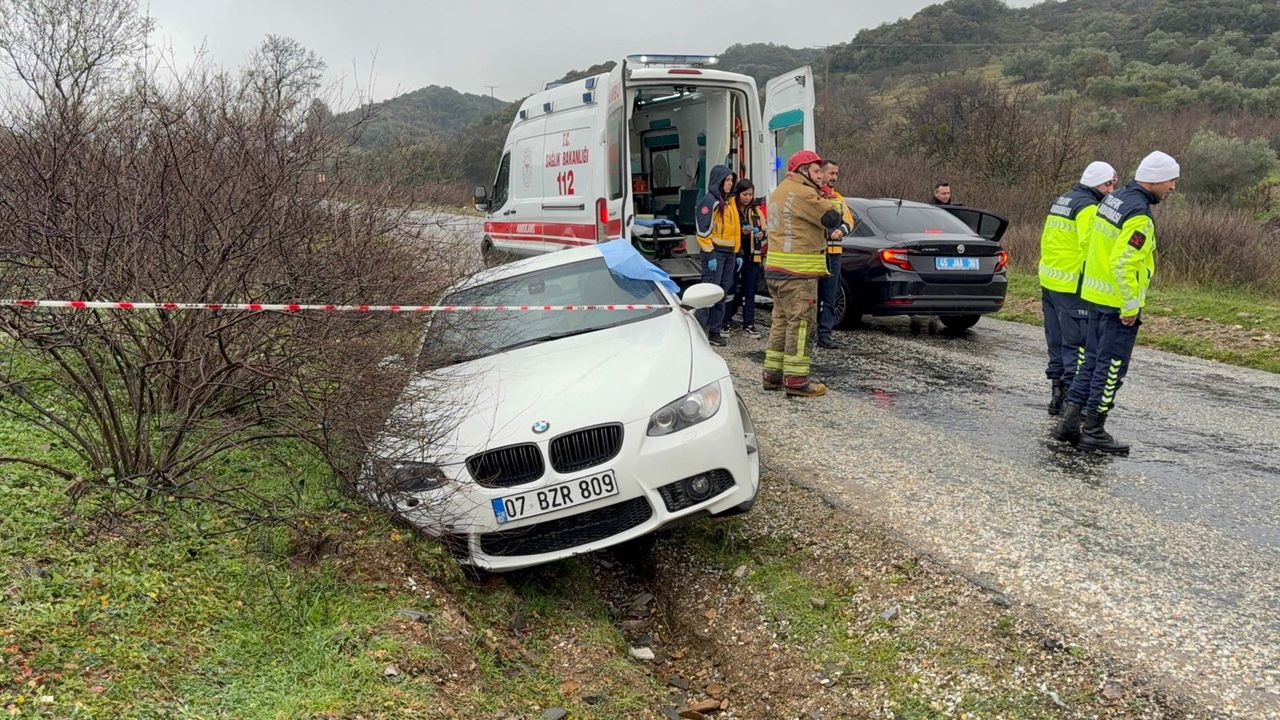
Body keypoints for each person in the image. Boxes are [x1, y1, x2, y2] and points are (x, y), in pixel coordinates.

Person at [1053, 151, 1179, 453]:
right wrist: (1130, 307)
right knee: (1111, 369)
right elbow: (1124, 263)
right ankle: (1094, 430)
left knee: (1090, 362)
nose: (1173, 187)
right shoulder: (1139, 214)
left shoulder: (1114, 199)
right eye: (1171, 180)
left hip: (1095, 294)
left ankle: (1069, 422)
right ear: (1156, 179)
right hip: (1116, 303)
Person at [762, 150, 850, 398]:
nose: (821, 176)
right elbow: (832, 217)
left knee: (781, 323)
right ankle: (796, 380)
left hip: (776, 270)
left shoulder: (780, 191)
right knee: (801, 325)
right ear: (802, 171)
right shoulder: (804, 193)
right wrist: (829, 197)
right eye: (816, 170)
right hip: (798, 274)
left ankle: (772, 375)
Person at [1038, 161, 1117, 416]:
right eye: (1108, 184)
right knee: (1077, 345)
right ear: (1096, 183)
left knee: (1056, 342)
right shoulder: (1088, 207)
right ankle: (1073, 404)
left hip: (1050, 280)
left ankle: (1056, 397)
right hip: (1072, 284)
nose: (1111, 190)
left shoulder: (1062, 200)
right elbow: (1089, 247)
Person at [694, 164, 741, 346]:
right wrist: (710, 252)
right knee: (708, 293)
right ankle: (698, 332)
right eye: (727, 180)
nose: (730, 183)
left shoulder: (730, 202)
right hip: (715, 253)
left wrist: (738, 252)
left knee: (721, 293)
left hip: (729, 254)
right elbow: (702, 230)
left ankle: (715, 331)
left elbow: (735, 230)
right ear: (718, 181)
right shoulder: (710, 202)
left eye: (731, 180)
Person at [815, 159, 858, 350]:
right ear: (821, 173)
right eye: (831, 173)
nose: (834, 177)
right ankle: (809, 332)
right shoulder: (814, 195)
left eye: (836, 174)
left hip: (834, 254)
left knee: (830, 296)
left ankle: (825, 335)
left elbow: (849, 221)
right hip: (815, 253)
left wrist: (841, 230)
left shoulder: (839, 198)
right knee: (811, 297)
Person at [725, 178, 765, 339]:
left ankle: (749, 324)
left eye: (750, 194)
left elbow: (764, 228)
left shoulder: (756, 210)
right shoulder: (731, 208)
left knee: (750, 291)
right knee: (730, 288)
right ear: (738, 194)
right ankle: (726, 322)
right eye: (745, 194)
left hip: (752, 255)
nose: (748, 198)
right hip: (735, 254)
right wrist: (742, 233)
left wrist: (762, 234)